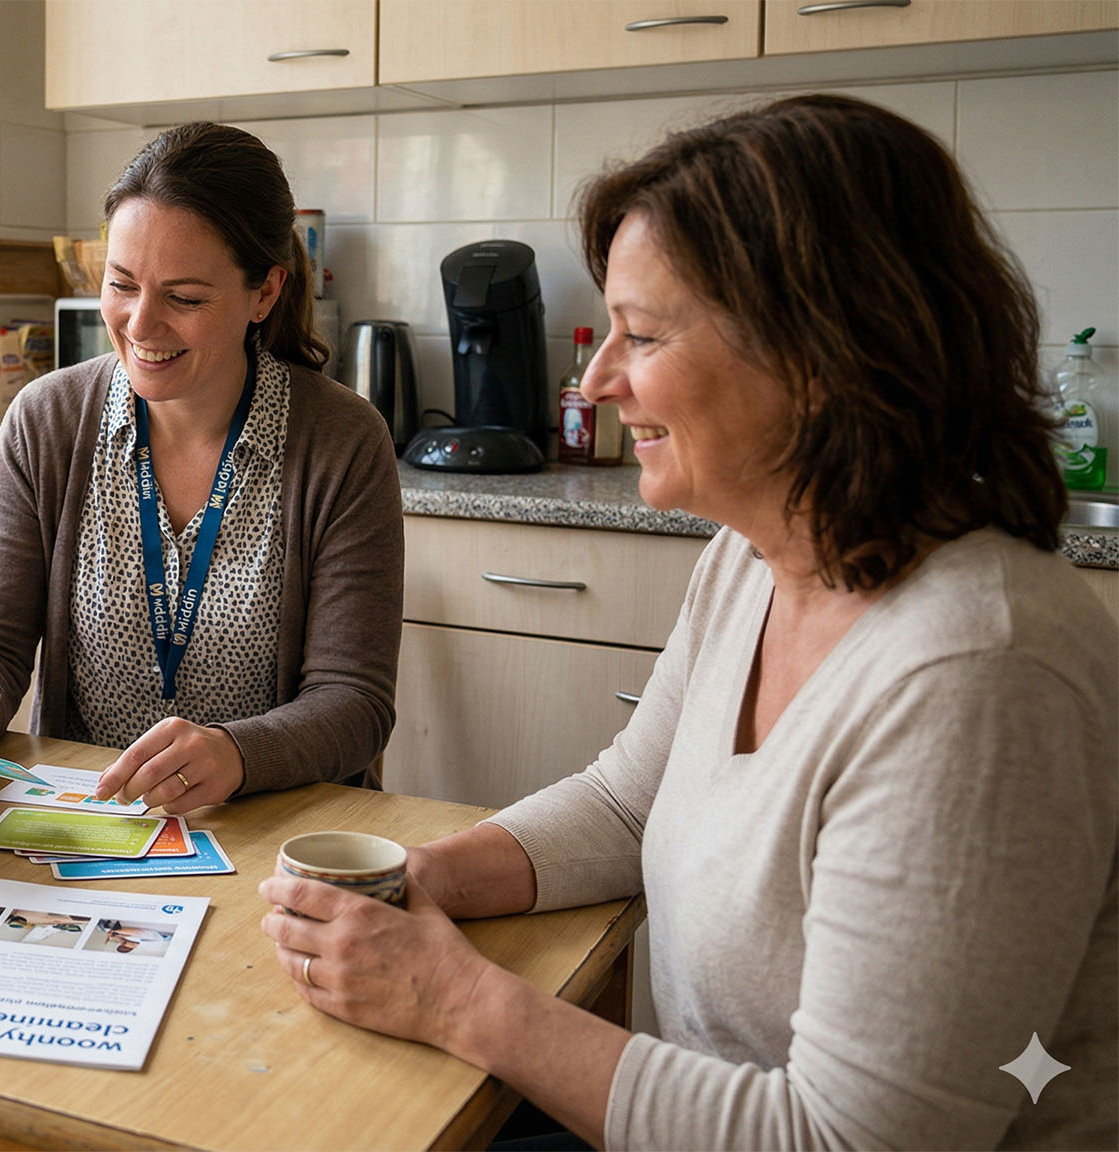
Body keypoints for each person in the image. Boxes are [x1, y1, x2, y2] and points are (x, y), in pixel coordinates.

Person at [260, 93, 1117, 1149]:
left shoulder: (979, 674)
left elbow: (847, 1142)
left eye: (645, 334)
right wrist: (422, 879)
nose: (597, 379)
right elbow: (630, 805)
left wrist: (455, 998)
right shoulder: (755, 561)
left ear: (818, 353)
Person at [0, 122, 402, 814]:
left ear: (264, 292)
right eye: (121, 285)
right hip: (88, 823)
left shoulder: (342, 441)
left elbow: (354, 704)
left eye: (184, 298)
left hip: (276, 828)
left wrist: (237, 754)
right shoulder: (46, 422)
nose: (141, 326)